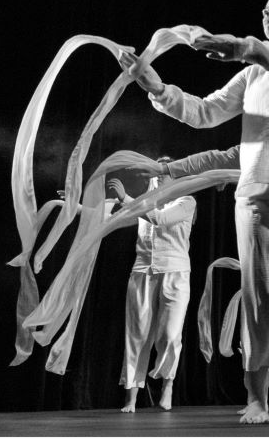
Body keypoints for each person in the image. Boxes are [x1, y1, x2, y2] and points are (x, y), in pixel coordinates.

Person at [118, 0, 269, 423]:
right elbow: (205, 112)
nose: (267, 11)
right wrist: (158, 88)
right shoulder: (253, 76)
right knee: (261, 298)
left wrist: (247, 48)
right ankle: (257, 396)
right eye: (264, 7)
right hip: (260, 196)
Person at [111, 157, 196, 413]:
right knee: (136, 335)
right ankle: (131, 396)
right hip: (142, 272)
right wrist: (73, 205)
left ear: (175, 176)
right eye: (155, 172)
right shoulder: (143, 202)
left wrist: (127, 199)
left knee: (169, 334)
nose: (158, 176)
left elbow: (160, 219)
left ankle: (167, 384)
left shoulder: (186, 201)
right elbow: (110, 217)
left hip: (175, 272)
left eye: (164, 171)